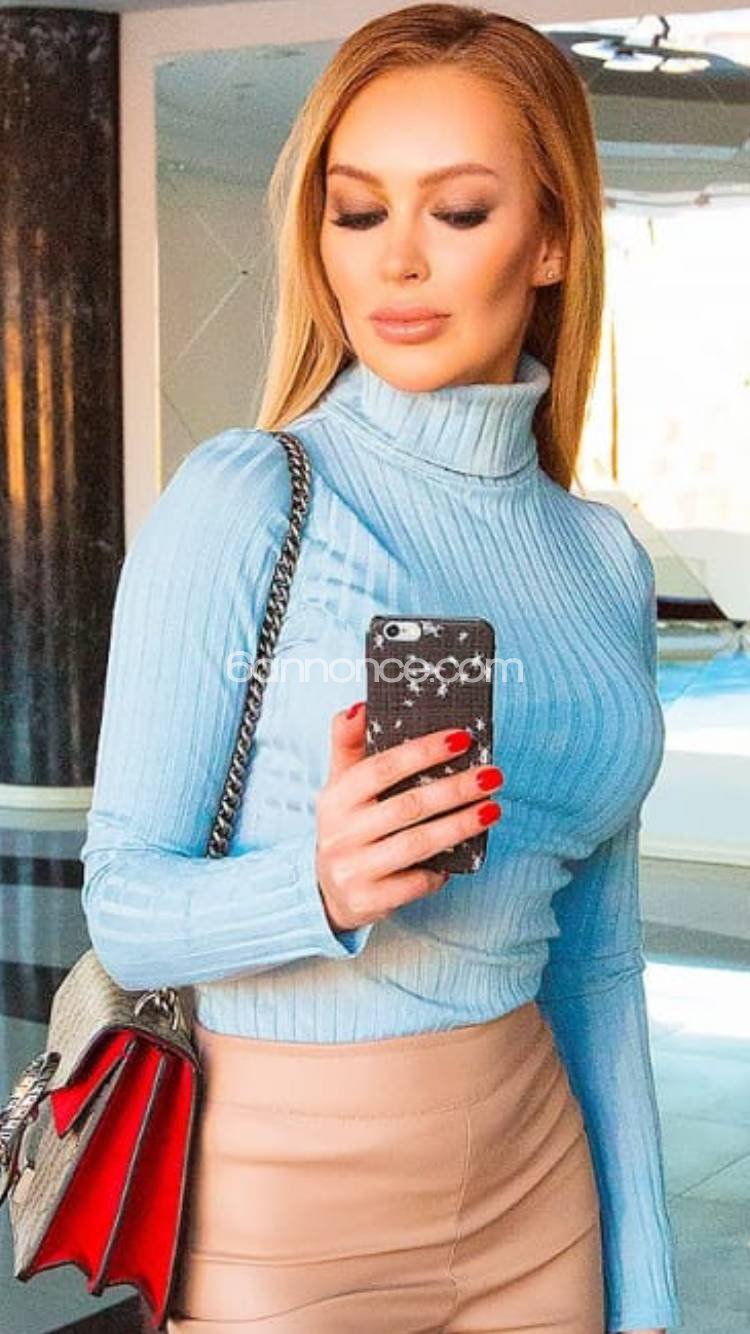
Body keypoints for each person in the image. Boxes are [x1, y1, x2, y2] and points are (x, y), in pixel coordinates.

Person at [80, 5, 682, 1332]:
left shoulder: (601, 559)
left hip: (536, 1183)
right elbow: (123, 904)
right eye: (356, 212)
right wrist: (318, 884)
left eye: (457, 211)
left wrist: (644, 1293)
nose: (396, 259)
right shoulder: (250, 495)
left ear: (551, 238)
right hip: (285, 1215)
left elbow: (598, 963)